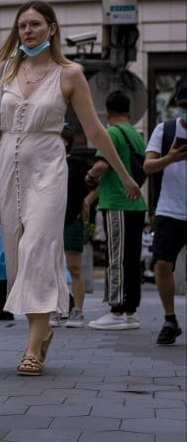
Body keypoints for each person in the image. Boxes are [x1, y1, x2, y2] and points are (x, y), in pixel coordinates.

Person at [0, 1, 141, 376]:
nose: (27, 31)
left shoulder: (69, 74)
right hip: (9, 172)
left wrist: (126, 174)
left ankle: (32, 348)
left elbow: (95, 130)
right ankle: (44, 328)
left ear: (52, 28)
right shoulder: (4, 71)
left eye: (34, 24)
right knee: (17, 254)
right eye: (22, 26)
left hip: (48, 169)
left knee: (37, 248)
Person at [83, 90, 148, 330]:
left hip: (117, 203)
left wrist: (89, 176)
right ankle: (131, 310)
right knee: (131, 259)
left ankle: (117, 310)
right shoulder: (137, 136)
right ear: (129, 111)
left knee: (116, 258)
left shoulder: (110, 132)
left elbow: (101, 165)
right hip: (137, 204)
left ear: (107, 113)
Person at [143, 79, 187, 345]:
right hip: (170, 209)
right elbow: (148, 167)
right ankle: (170, 319)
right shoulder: (165, 130)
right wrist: (169, 158)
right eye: (183, 106)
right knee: (161, 264)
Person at [51, 125, 90, 329]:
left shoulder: (78, 163)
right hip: (49, 220)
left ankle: (78, 311)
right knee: (52, 267)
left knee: (74, 267)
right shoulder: (45, 162)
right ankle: (56, 309)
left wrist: (87, 202)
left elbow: (95, 184)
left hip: (72, 219)